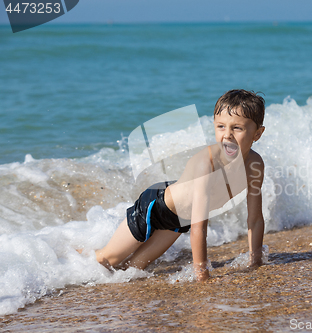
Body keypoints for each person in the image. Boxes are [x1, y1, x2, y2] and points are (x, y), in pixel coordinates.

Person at [95, 89, 266, 281]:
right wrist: (202, 275)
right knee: (107, 260)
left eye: (237, 128)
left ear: (257, 134)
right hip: (156, 206)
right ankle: (72, 260)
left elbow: (255, 220)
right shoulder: (208, 163)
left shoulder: (254, 165)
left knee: (132, 270)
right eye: (221, 127)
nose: (227, 135)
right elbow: (199, 227)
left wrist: (256, 261)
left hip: (178, 222)